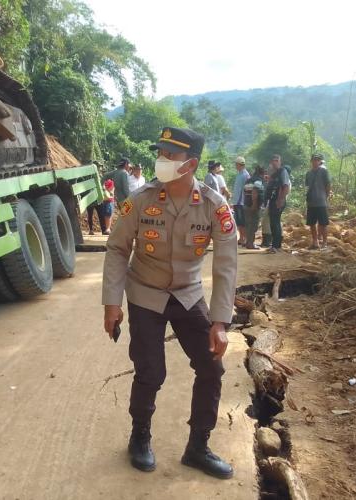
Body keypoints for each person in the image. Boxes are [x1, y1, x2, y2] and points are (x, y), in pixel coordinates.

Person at [102, 127, 237, 480]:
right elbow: (117, 248)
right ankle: (140, 437)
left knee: (211, 368)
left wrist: (220, 322)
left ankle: (198, 448)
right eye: (160, 152)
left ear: (190, 163)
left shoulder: (214, 205)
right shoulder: (140, 198)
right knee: (151, 371)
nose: (160, 160)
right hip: (146, 292)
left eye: (169, 155)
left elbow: (226, 264)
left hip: (188, 294)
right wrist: (112, 303)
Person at [264, 154, 291, 254]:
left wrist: (281, 200)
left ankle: (276, 245)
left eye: (277, 160)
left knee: (275, 223)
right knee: (273, 222)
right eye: (273, 160)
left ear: (280, 162)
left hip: (278, 201)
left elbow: (286, 187)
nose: (275, 162)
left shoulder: (283, 172)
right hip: (272, 200)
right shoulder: (274, 174)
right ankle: (275, 245)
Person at [305, 153, 331, 249]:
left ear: (320, 161)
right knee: (312, 223)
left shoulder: (324, 171)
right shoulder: (308, 173)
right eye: (314, 160)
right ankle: (315, 242)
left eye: (317, 160)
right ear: (311, 161)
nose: (315, 161)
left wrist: (326, 196)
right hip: (311, 202)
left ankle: (324, 243)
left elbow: (328, 184)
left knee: (323, 223)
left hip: (321, 201)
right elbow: (307, 186)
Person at [242, 164, 265, 249]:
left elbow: (245, 192)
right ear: (261, 173)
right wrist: (254, 204)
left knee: (248, 225)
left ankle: (248, 242)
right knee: (253, 225)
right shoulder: (258, 180)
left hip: (246, 204)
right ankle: (250, 244)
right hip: (253, 206)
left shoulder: (248, 180)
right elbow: (255, 192)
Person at [231, 156, 250, 245]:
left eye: (236, 164)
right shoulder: (239, 174)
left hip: (241, 202)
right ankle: (241, 238)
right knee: (238, 221)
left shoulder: (245, 175)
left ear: (240, 164)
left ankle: (245, 238)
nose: (235, 166)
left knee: (242, 221)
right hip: (236, 201)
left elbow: (246, 189)